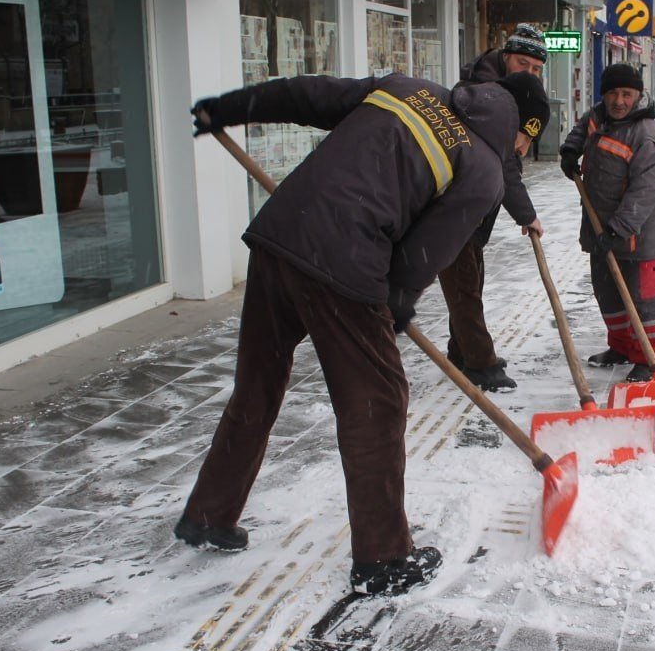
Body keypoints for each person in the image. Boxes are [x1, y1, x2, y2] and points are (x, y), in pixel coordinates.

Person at [180, 71, 550, 596]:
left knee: (258, 385)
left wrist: (229, 107)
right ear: (517, 131)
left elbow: (307, 96)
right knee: (377, 400)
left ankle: (208, 515)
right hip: (344, 263)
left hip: (279, 235)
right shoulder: (485, 169)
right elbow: (425, 254)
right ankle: (383, 557)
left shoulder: (406, 90)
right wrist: (394, 307)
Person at [438, 23, 547, 392]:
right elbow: (504, 162)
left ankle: (462, 351)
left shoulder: (513, 94)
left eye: (536, 68)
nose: (528, 73)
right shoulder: (482, 93)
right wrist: (527, 214)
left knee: (470, 281)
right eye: (522, 63)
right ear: (505, 57)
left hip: (474, 205)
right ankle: (480, 364)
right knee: (465, 286)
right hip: (451, 204)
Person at [559, 63, 655, 383]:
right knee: (607, 292)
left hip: (638, 235)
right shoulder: (601, 116)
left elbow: (646, 192)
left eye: (626, 94)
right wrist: (571, 148)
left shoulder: (646, 136)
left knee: (642, 300)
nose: (618, 101)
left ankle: (649, 359)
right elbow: (585, 124)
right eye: (612, 93)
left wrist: (617, 229)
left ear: (638, 96)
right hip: (600, 227)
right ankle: (621, 347)